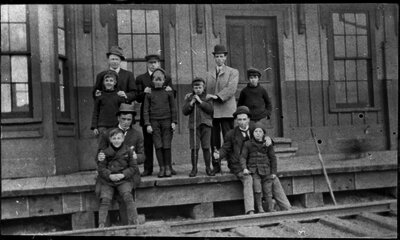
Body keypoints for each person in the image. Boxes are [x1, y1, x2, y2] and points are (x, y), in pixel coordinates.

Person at [213, 106, 272, 215]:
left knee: (271, 177)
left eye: (244, 119)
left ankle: (285, 206)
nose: (242, 122)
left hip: (254, 164)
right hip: (238, 166)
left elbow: (264, 137)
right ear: (236, 120)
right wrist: (218, 155)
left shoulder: (254, 129)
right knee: (248, 179)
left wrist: (268, 139)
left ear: (249, 119)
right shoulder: (231, 134)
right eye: (239, 120)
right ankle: (250, 210)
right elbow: (225, 148)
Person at [96, 103, 144, 226]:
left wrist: (135, 156)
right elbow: (99, 155)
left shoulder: (137, 134)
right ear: (118, 118)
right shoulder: (108, 133)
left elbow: (143, 156)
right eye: (123, 119)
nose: (126, 122)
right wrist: (99, 157)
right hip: (109, 172)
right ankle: (103, 225)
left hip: (127, 172)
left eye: (129, 119)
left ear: (132, 119)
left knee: (127, 194)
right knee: (102, 194)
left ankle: (129, 224)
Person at [135, 54, 176, 177]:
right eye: (150, 63)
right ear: (147, 64)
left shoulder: (167, 77)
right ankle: (148, 168)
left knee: (166, 142)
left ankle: (167, 167)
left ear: (159, 63)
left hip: (165, 116)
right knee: (149, 143)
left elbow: (172, 95)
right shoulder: (141, 78)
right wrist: (144, 92)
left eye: (156, 62)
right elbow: (137, 97)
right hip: (149, 117)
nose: (153, 65)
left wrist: (170, 90)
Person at [241, 123, 291, 213]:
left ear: (264, 133)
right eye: (256, 131)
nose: (258, 133)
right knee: (257, 189)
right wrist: (244, 168)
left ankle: (271, 208)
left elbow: (273, 158)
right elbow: (243, 157)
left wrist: (274, 173)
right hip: (254, 171)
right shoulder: (248, 144)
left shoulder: (268, 144)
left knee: (268, 190)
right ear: (252, 133)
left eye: (260, 131)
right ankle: (260, 208)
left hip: (266, 171)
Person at [206, 44, 239, 174]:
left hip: (227, 110)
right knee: (214, 139)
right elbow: (204, 89)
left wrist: (216, 96)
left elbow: (231, 89)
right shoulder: (209, 73)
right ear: (214, 58)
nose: (219, 59)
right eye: (217, 56)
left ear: (225, 57)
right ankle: (216, 165)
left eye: (221, 56)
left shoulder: (233, 72)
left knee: (229, 137)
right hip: (213, 111)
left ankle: (232, 164)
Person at [143, 68, 177, 178]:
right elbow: (146, 110)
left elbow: (173, 108)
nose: (158, 82)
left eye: (160, 79)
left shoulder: (168, 92)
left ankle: (168, 167)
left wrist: (174, 122)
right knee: (158, 145)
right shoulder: (149, 93)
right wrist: (148, 124)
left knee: (166, 144)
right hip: (154, 122)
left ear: (164, 80)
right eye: (156, 80)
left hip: (167, 120)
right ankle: (161, 167)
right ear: (152, 80)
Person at [182, 77, 215, 177]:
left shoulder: (208, 97)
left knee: (206, 147)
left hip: (206, 125)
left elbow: (210, 110)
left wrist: (200, 101)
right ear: (192, 88)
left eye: (200, 87)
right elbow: (185, 111)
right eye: (195, 88)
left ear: (203, 88)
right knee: (194, 148)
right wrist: (191, 102)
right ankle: (194, 168)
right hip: (194, 126)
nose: (198, 89)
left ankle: (208, 168)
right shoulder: (189, 97)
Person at [91, 70, 126, 137]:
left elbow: (123, 112)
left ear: (115, 83)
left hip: (115, 125)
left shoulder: (118, 95)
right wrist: (94, 127)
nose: (108, 83)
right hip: (102, 126)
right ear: (103, 82)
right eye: (106, 80)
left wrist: (122, 124)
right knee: (102, 145)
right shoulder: (99, 96)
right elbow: (96, 112)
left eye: (111, 81)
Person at [237, 67, 272, 131]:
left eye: (255, 78)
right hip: (250, 118)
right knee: (250, 134)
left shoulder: (262, 90)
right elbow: (240, 105)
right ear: (248, 79)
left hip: (261, 117)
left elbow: (268, 103)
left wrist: (267, 114)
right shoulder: (244, 91)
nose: (253, 80)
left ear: (258, 79)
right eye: (251, 78)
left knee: (260, 134)